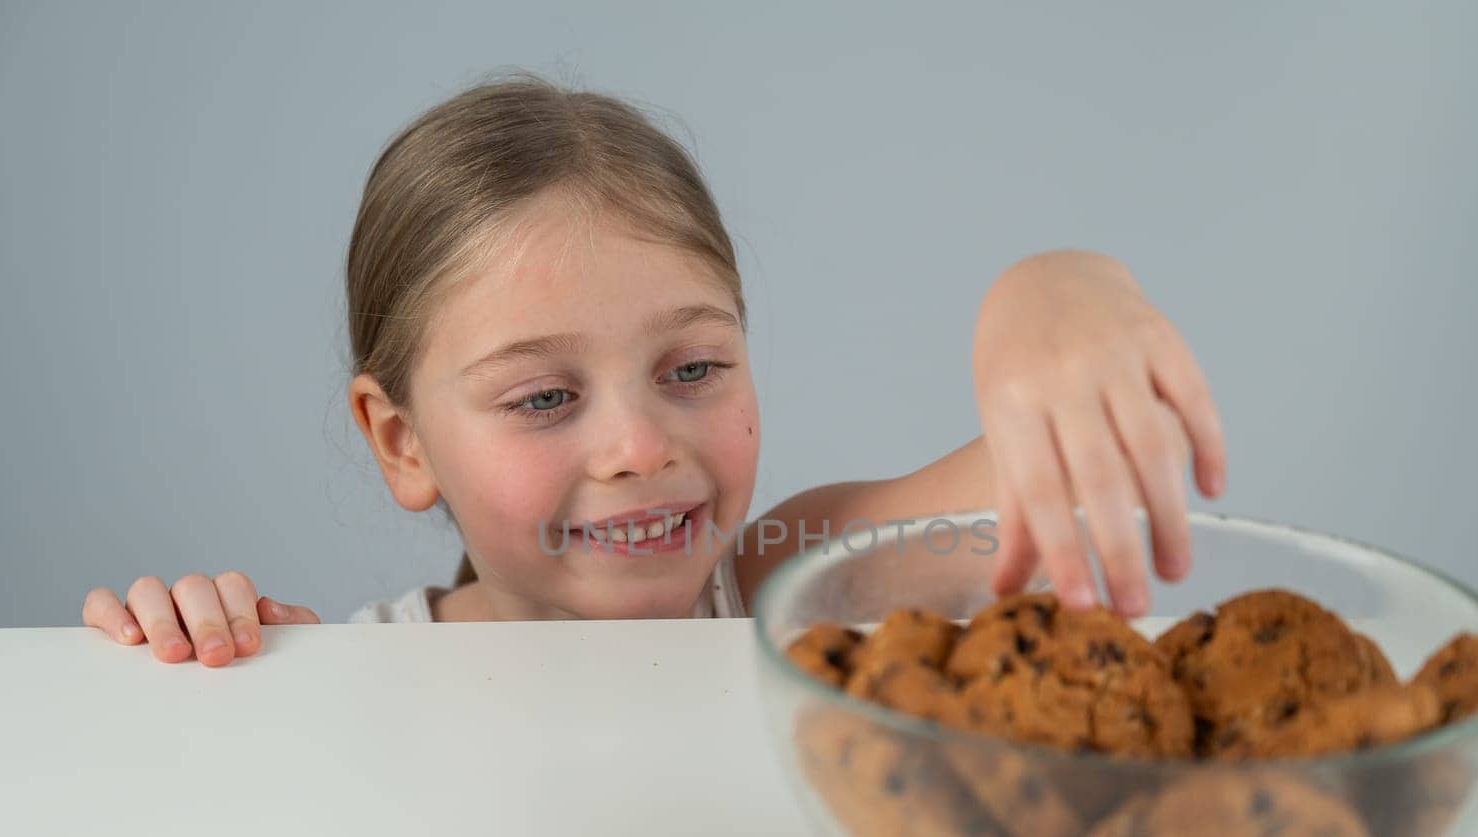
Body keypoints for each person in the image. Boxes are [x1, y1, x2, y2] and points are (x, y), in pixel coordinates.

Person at [81, 71, 1225, 666]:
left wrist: (1056, 291)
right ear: (401, 440)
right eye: (543, 398)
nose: (641, 448)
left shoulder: (790, 576)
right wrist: (192, 645)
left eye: (692, 369)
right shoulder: (352, 673)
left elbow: (1074, 490)